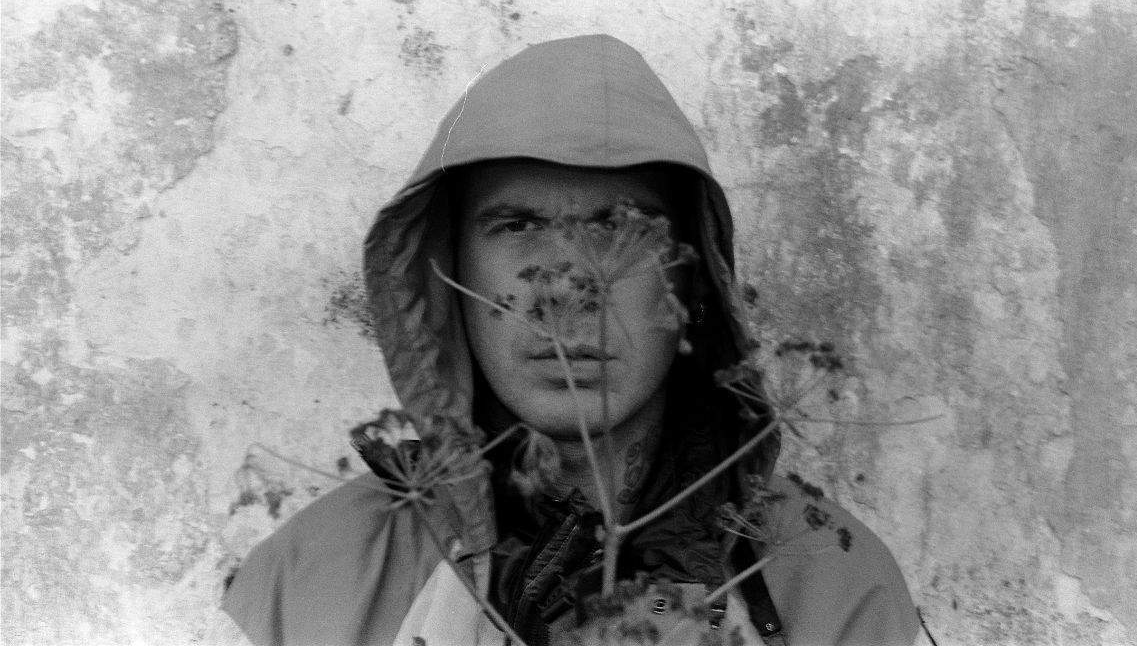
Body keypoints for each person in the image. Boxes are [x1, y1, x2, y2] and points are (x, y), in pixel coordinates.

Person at [221, 34, 919, 646]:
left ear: (693, 281)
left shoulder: (834, 585)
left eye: (616, 226)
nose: (565, 290)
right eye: (518, 226)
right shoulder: (312, 580)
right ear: (447, 275)